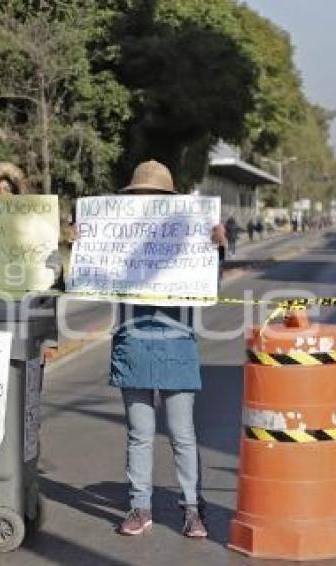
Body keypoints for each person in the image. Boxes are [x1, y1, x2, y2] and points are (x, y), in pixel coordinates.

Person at [102, 160, 213, 539]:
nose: (146, 202)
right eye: (140, 196)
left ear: (168, 200)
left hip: (177, 345)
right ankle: (140, 507)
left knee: (182, 435)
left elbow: (207, 280)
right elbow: (92, 278)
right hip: (133, 344)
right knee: (139, 433)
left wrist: (216, 247)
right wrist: (87, 245)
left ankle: (192, 509)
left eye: (154, 196)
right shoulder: (115, 237)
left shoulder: (189, 236)